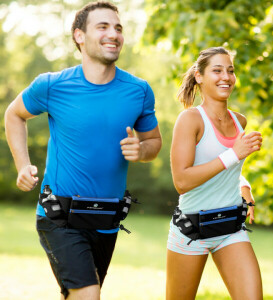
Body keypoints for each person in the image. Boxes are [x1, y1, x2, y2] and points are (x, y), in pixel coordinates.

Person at [4, 2, 162, 299]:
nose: (113, 34)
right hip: (59, 216)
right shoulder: (52, 85)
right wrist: (23, 165)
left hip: (107, 220)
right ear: (79, 36)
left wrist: (141, 150)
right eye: (102, 26)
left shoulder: (138, 90)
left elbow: (154, 142)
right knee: (88, 293)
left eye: (118, 28)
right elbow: (14, 114)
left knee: (76, 295)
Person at [167, 47, 263, 300]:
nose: (226, 77)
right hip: (191, 230)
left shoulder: (239, 121)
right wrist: (235, 153)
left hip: (230, 227)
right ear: (199, 76)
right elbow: (182, 181)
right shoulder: (190, 120)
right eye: (217, 70)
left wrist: (244, 185)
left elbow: (223, 167)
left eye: (230, 71)